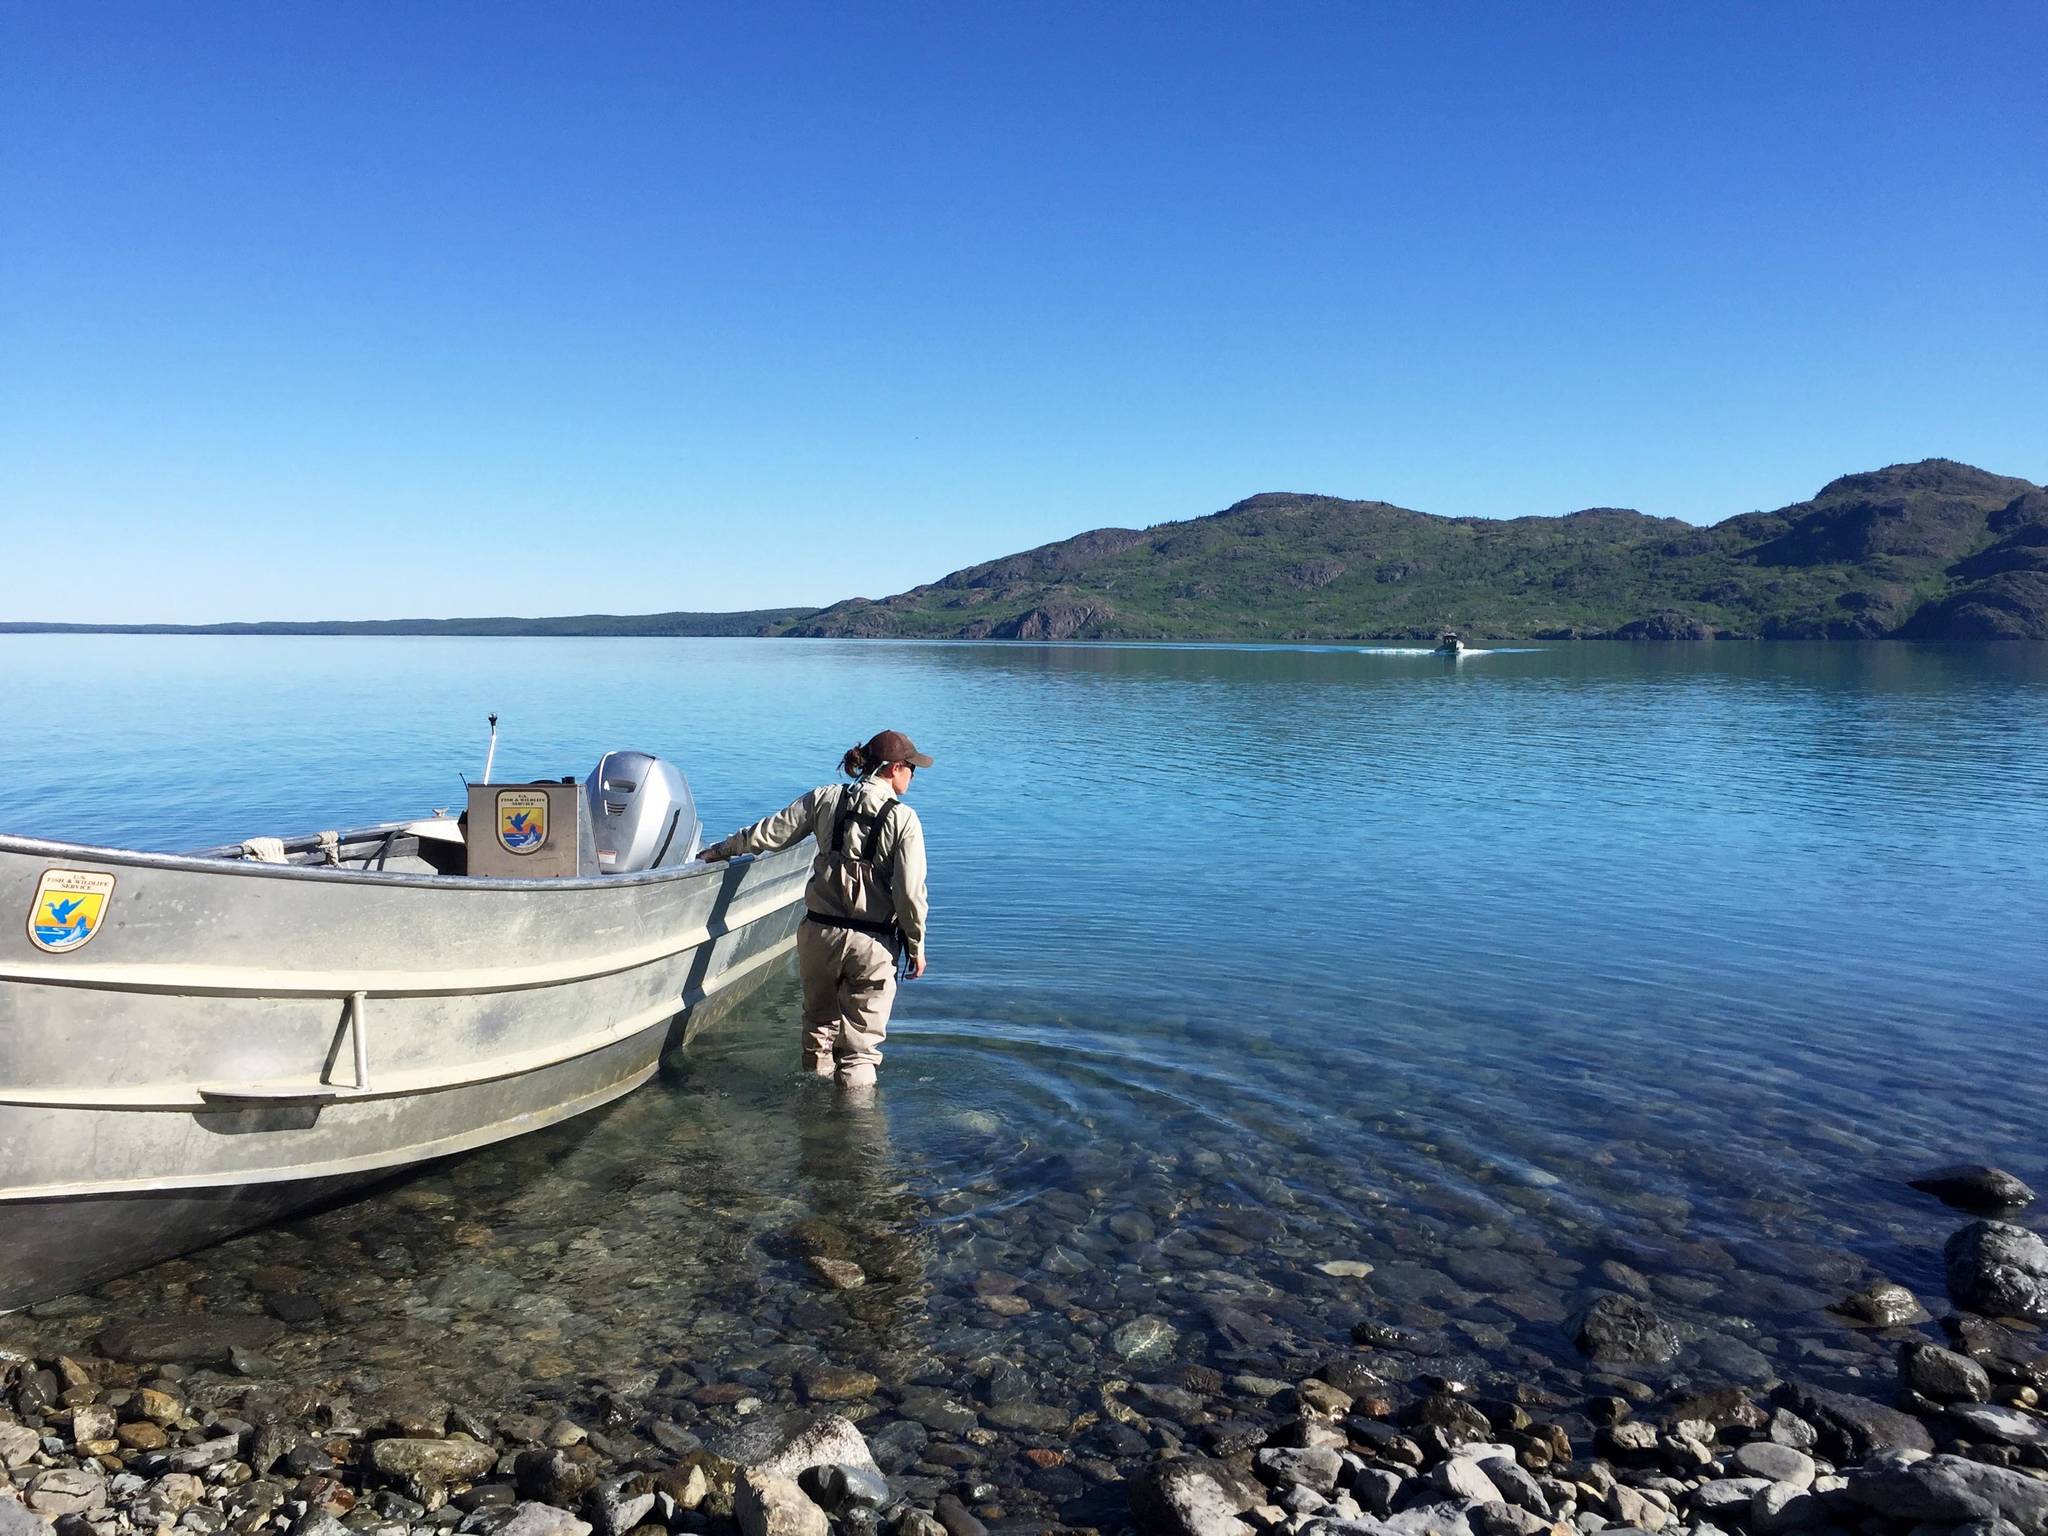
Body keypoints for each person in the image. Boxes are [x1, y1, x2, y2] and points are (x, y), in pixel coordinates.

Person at [698, 730, 931, 1088]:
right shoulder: (904, 819)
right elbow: (910, 894)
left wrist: (720, 850)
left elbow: (767, 834)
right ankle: (855, 1132)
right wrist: (916, 947)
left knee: (818, 1030)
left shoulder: (824, 799)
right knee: (860, 1049)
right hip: (872, 943)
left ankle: (815, 1113)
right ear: (894, 768)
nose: (913, 775)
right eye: (912, 768)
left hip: (817, 935)